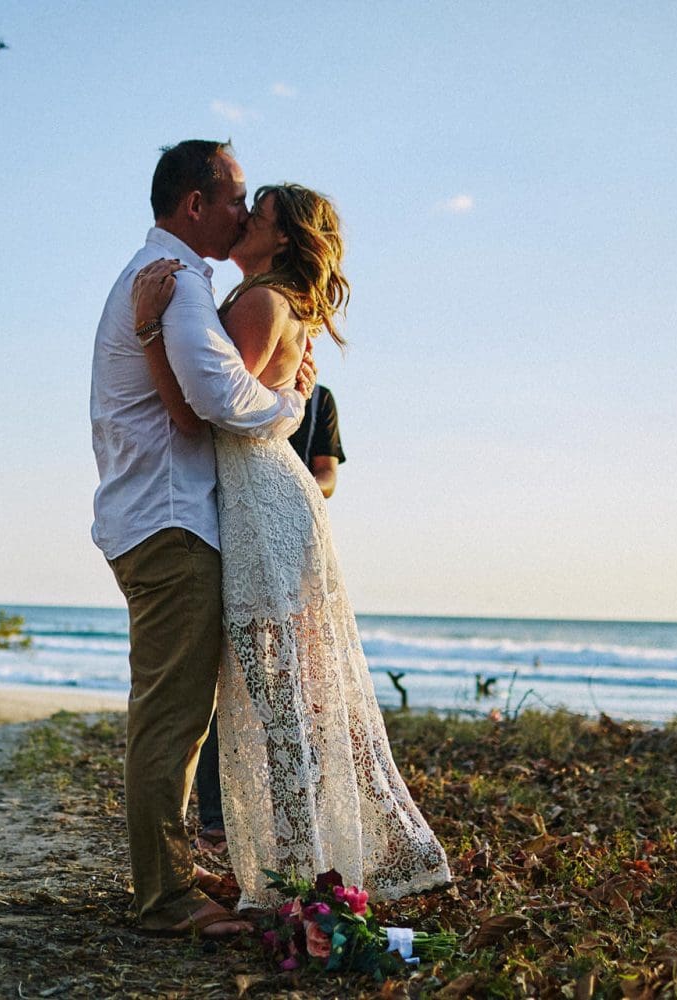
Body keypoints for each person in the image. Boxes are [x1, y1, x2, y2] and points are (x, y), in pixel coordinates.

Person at [133, 182, 452, 911]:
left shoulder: (260, 302)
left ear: (281, 238)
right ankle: (311, 863)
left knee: (277, 697)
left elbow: (209, 414)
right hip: (265, 498)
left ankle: (305, 871)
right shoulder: (273, 302)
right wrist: (291, 399)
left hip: (262, 503)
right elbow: (248, 401)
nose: (245, 218)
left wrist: (150, 332)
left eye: (260, 213)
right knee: (288, 694)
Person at [90, 140, 313, 938]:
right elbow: (215, 401)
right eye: (235, 198)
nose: (244, 213)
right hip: (170, 520)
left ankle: (174, 875)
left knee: (181, 714)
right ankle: (164, 898)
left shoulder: (176, 282)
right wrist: (290, 405)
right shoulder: (175, 284)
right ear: (195, 204)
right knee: (172, 718)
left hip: (161, 516)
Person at [192, 382, 347, 853]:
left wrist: (286, 486)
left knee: (293, 684)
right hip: (230, 532)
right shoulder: (226, 386)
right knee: (222, 680)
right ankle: (217, 817)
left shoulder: (318, 399)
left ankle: (295, 818)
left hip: (290, 538)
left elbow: (327, 474)